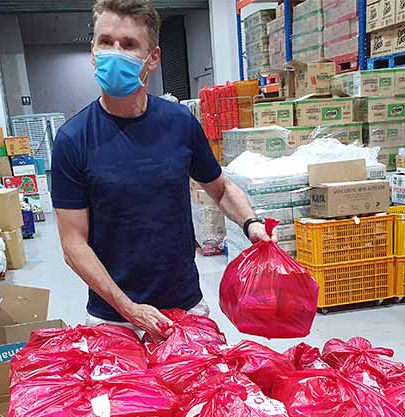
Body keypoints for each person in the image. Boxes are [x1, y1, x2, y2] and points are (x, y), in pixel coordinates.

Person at [51, 0, 273, 338]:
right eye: (105, 42)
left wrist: (251, 224)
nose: (114, 52)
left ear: (152, 58)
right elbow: (73, 243)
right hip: (113, 320)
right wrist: (130, 310)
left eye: (128, 45)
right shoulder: (73, 139)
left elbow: (221, 189)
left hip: (185, 308)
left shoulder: (179, 123)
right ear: (93, 51)